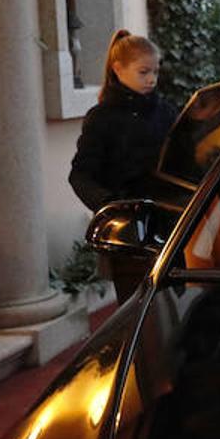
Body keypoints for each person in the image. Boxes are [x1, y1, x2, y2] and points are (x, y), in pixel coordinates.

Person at [69, 30, 179, 302]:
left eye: (155, 72)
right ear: (118, 69)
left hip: (170, 225)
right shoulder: (102, 118)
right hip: (128, 236)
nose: (152, 79)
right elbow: (81, 175)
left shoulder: (166, 111)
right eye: (144, 72)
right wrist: (111, 207)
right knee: (135, 310)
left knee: (172, 310)